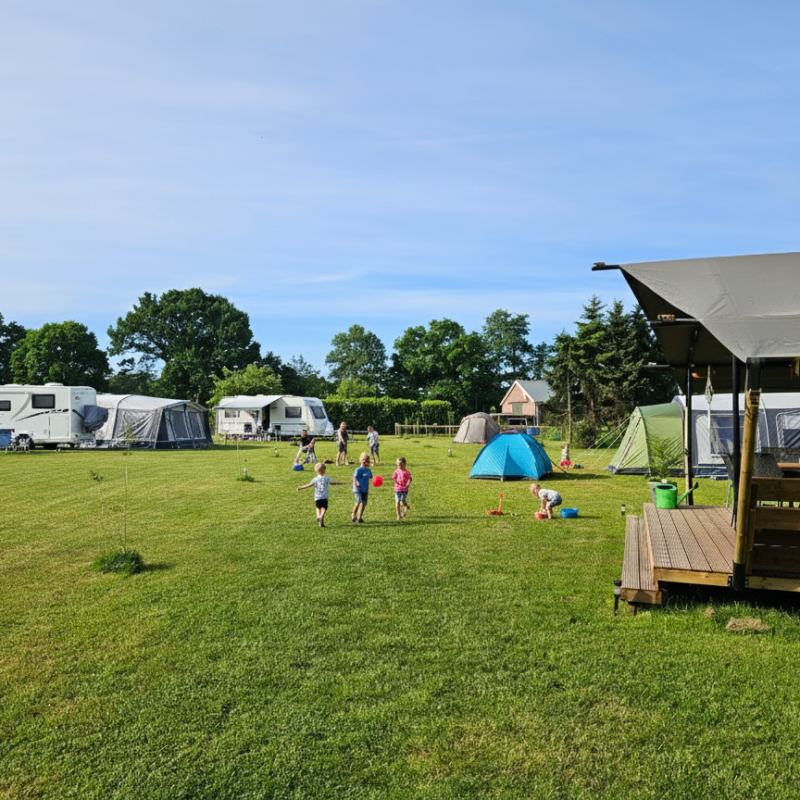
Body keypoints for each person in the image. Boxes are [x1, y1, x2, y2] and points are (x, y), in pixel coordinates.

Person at [297, 463, 343, 527]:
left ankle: (318, 516)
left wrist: (301, 487)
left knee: (318, 507)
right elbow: (333, 483)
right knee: (324, 507)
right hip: (324, 497)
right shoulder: (327, 478)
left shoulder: (315, 479)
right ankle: (321, 516)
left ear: (316, 470)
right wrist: (340, 483)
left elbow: (309, 485)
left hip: (317, 497)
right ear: (324, 470)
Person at [351, 452, 373, 523]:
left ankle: (359, 517)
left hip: (365, 489)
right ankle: (353, 514)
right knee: (358, 501)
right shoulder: (358, 469)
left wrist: (376, 481)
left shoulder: (368, 470)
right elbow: (355, 477)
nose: (366, 463)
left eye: (367, 462)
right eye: (364, 462)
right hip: (358, 489)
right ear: (361, 461)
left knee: (364, 503)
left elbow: (371, 478)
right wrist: (357, 482)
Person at [392, 456, 412, 520]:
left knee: (402, 501)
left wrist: (407, 485)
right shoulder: (397, 471)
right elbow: (394, 477)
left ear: (404, 464)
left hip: (404, 489)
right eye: (397, 465)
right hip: (397, 489)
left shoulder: (407, 472)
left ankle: (406, 506)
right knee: (397, 501)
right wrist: (397, 482)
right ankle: (398, 515)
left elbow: (410, 479)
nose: (398, 466)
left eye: (399, 465)